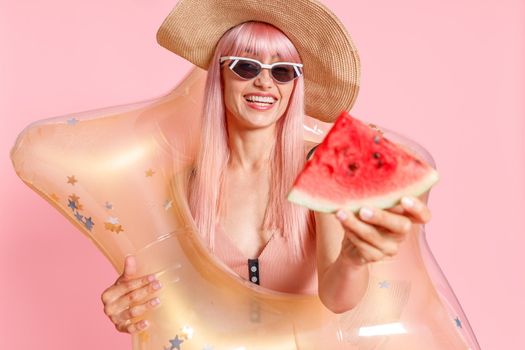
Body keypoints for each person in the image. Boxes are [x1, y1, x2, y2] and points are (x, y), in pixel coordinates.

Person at [100, 0, 432, 335]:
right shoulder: (183, 184)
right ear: (220, 76)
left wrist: (353, 257)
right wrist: (130, 302)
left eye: (283, 71)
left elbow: (338, 299)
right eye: (246, 67)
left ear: (294, 87)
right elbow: (176, 292)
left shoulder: (318, 165)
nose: (264, 82)